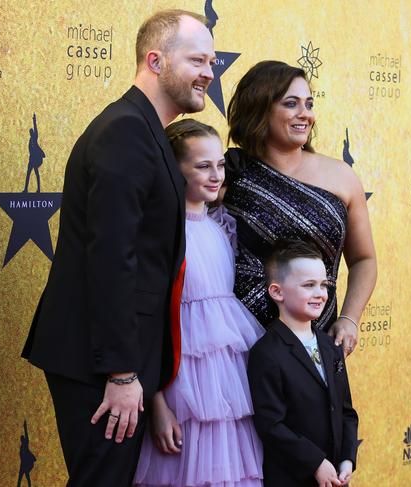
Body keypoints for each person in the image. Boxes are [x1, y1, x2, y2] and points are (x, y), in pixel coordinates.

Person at [21, 10, 215, 486]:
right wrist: (123, 374)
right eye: (197, 59)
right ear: (155, 60)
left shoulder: (144, 130)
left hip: (115, 359)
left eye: (212, 61)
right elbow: (110, 258)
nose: (210, 72)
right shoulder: (127, 131)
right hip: (100, 362)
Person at [134, 119, 264, 486]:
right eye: (202, 166)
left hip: (228, 388)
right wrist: (157, 404)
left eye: (220, 164)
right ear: (174, 170)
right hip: (180, 387)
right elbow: (152, 324)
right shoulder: (165, 234)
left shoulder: (220, 228)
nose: (216, 175)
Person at [223, 60, 377, 357]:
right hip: (242, 345)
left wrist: (349, 319)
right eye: (291, 104)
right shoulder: (228, 174)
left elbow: (364, 259)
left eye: (308, 104)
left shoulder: (341, 176)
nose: (305, 114)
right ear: (259, 109)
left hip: (317, 343)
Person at [248, 240, 358, 487]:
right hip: (292, 477)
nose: (320, 293)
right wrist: (316, 463)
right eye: (309, 285)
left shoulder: (331, 346)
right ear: (277, 292)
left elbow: (346, 411)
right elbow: (271, 425)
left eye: (323, 285)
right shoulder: (266, 353)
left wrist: (347, 460)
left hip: (336, 478)